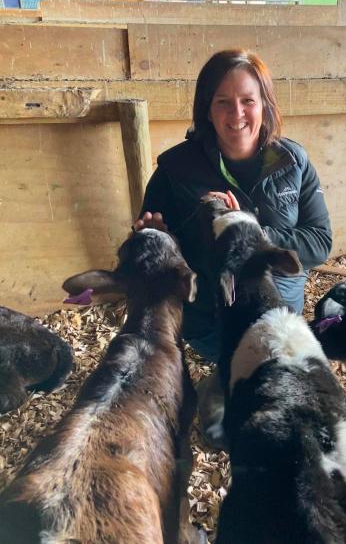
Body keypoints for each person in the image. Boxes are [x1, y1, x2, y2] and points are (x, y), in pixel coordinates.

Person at [135, 49, 332, 445]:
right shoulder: (175, 170)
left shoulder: (294, 162)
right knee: (238, 387)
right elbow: (151, 252)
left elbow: (320, 242)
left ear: (265, 105)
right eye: (222, 102)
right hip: (212, 319)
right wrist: (158, 238)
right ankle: (221, 381)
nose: (236, 113)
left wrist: (248, 228)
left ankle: (240, 384)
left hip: (279, 310)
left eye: (247, 100)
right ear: (206, 109)